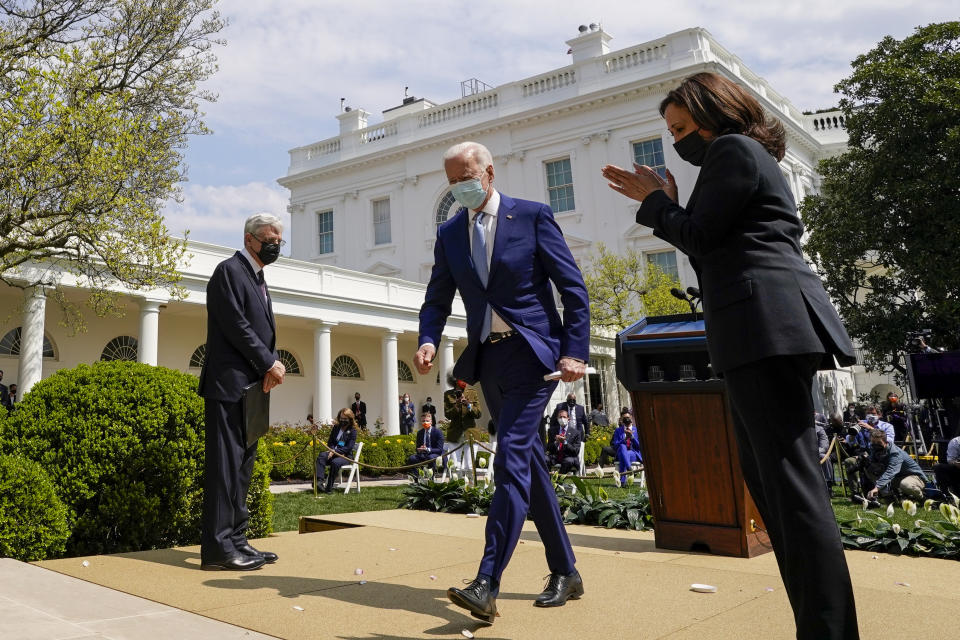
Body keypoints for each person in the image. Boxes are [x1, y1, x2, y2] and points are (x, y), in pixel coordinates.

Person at [601, 72, 859, 638]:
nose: (676, 142)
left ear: (714, 113)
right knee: (774, 485)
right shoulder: (738, 155)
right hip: (759, 329)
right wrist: (667, 203)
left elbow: (702, 237)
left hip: (764, 325)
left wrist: (656, 203)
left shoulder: (732, 150)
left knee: (790, 489)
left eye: (681, 128)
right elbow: (711, 236)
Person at [415, 141, 589, 623]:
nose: (459, 187)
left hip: (534, 357)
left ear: (488, 172)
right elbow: (436, 297)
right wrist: (428, 338)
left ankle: (487, 581)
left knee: (511, 460)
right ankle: (566, 571)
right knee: (529, 466)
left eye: (466, 176)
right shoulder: (450, 233)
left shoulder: (532, 216)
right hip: (489, 362)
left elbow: (572, 288)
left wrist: (574, 350)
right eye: (451, 181)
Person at [198, 213, 286, 571]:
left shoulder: (257, 277)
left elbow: (261, 331)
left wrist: (268, 364)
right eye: (270, 239)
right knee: (224, 468)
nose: (275, 245)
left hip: (251, 389)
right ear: (250, 239)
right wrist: (269, 362)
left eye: (280, 240)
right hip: (227, 387)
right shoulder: (229, 272)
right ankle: (218, 550)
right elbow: (237, 325)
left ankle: (237, 541)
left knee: (242, 470)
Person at [865, 430, 926, 501]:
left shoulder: (895, 453)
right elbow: (873, 463)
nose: (875, 445)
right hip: (897, 478)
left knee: (906, 484)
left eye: (879, 442)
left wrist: (877, 487)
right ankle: (889, 496)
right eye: (873, 442)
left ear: (885, 442)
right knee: (870, 467)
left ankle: (923, 498)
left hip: (914, 477)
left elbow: (891, 472)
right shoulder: (875, 450)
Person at [315, 408, 359, 493]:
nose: (342, 420)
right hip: (333, 452)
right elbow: (330, 441)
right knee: (322, 456)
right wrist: (331, 449)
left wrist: (335, 452)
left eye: (345, 419)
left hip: (345, 456)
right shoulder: (336, 427)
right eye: (341, 418)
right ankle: (319, 482)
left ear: (350, 419)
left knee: (335, 462)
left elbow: (348, 447)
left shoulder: (353, 431)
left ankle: (329, 487)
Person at [545, 408, 582, 474]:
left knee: (568, 461)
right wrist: (556, 442)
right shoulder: (552, 431)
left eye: (564, 417)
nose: (562, 419)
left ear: (568, 419)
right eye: (560, 417)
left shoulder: (576, 433)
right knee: (544, 458)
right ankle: (548, 480)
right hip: (555, 457)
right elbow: (548, 448)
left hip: (568, 456)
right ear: (557, 419)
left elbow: (576, 451)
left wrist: (565, 442)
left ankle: (558, 481)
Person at [611, 420, 642, 485]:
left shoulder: (637, 430)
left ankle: (622, 481)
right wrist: (625, 439)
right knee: (622, 446)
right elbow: (615, 445)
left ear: (631, 420)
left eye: (628, 418)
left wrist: (632, 437)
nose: (627, 420)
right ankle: (629, 467)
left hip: (633, 453)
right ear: (622, 421)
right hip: (621, 452)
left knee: (624, 455)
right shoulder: (618, 430)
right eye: (625, 418)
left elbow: (639, 447)